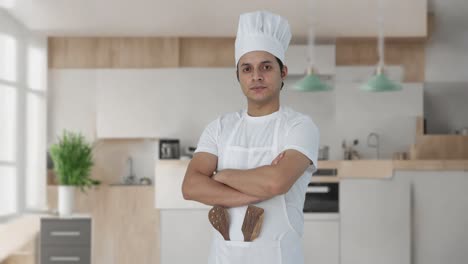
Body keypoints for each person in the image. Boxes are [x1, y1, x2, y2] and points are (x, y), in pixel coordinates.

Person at [182, 10, 319, 264]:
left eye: (266, 67)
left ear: (283, 72)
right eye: (247, 68)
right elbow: (190, 187)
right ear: (238, 76)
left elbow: (276, 183)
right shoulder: (219, 127)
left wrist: (220, 177)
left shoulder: (299, 126)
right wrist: (257, 189)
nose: (256, 76)